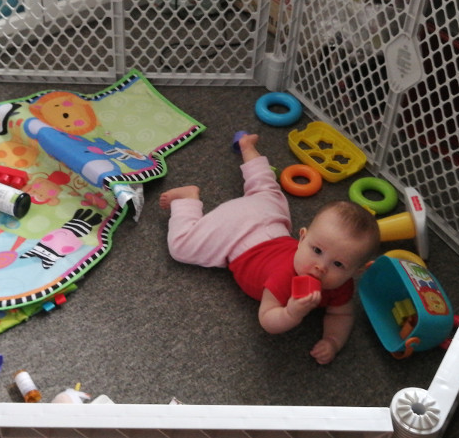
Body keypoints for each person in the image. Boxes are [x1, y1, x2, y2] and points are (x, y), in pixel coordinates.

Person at [160, 133, 380, 364]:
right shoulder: (284, 277)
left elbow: (342, 314)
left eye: (338, 264)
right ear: (302, 238)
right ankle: (186, 199)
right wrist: (291, 312)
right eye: (317, 251)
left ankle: (247, 148)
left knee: (266, 188)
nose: (320, 267)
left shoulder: (342, 287)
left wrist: (333, 341)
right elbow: (267, 319)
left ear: (356, 271)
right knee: (180, 247)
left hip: (269, 215)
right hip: (235, 232)